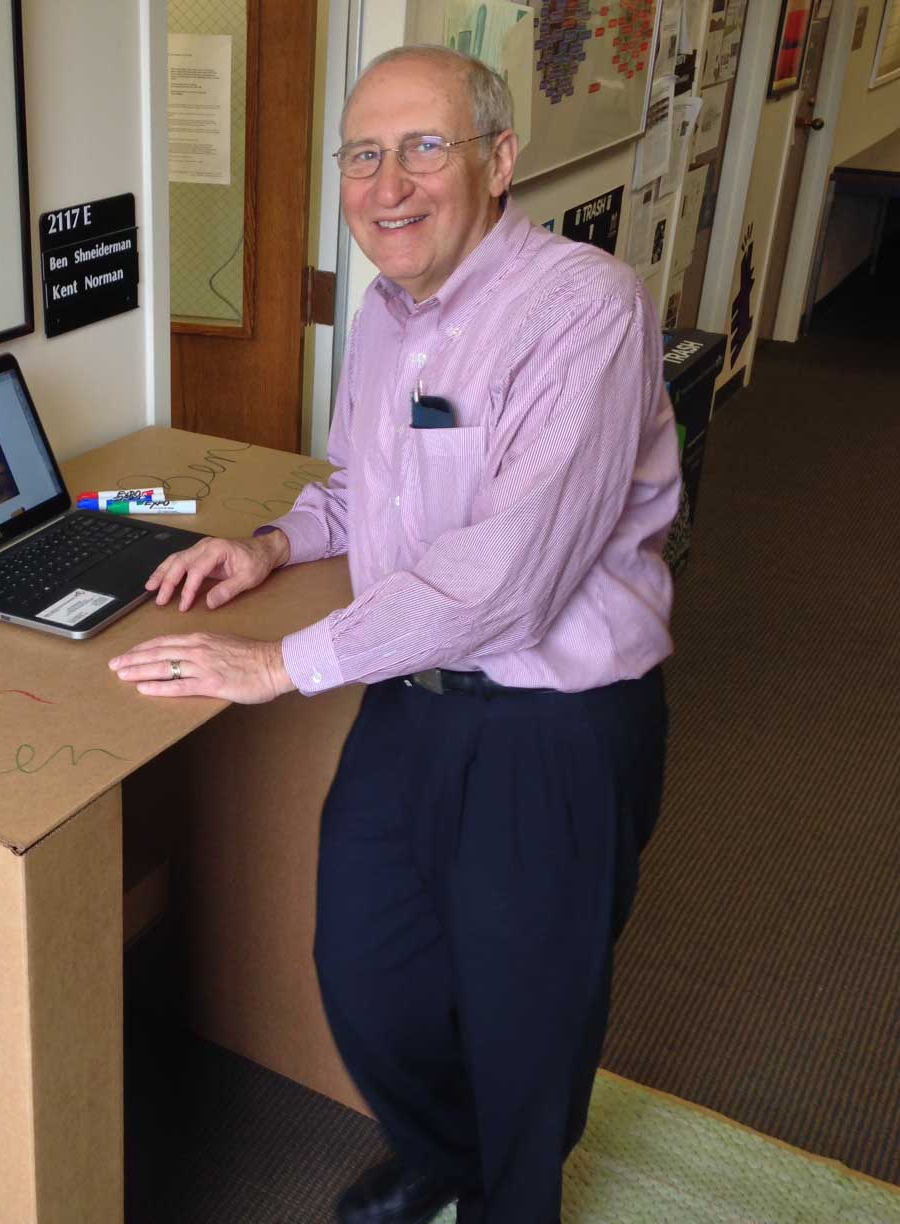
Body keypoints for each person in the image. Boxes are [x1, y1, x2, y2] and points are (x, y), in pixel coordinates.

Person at [110, 44, 680, 1224]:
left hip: (555, 724)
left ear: (499, 159)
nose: (389, 184)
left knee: (527, 1015)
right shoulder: (381, 314)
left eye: (426, 147)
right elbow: (361, 488)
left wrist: (276, 664)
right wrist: (267, 545)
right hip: (414, 696)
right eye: (363, 155)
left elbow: (511, 573)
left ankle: (509, 1202)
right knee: (368, 974)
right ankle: (444, 1162)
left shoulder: (584, 310)